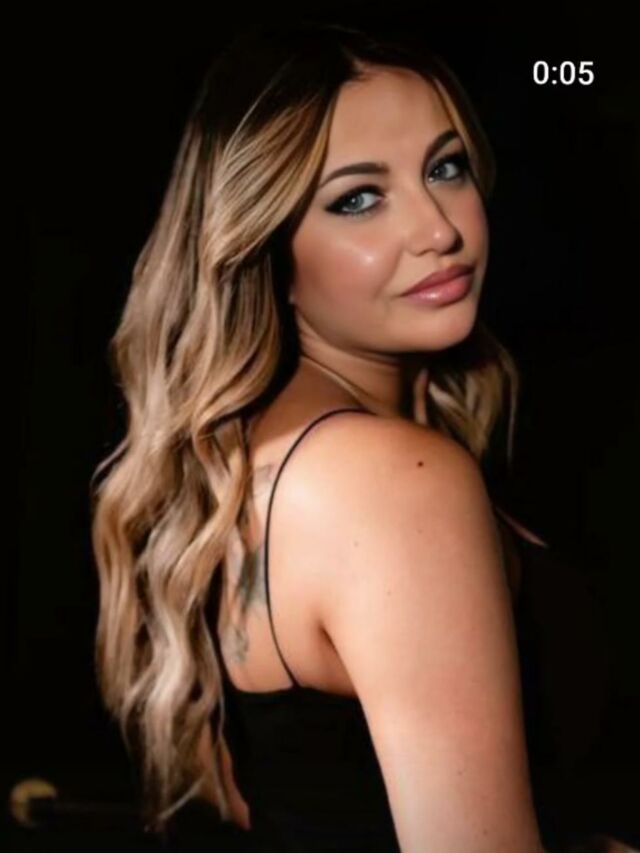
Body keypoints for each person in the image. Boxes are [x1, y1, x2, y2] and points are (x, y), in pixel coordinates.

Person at [90, 18, 572, 852]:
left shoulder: (254, 461)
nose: (439, 229)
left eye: (446, 167)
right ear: (268, 248)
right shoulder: (391, 479)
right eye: (358, 199)